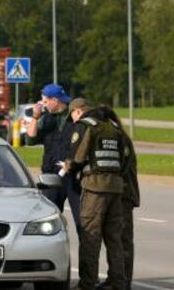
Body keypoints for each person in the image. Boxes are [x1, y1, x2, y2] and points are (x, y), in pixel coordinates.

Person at [64, 98, 126, 290]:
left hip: (94, 189)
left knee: (91, 236)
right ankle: (118, 282)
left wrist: (69, 167)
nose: (73, 120)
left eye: (72, 116)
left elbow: (78, 157)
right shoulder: (113, 126)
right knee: (114, 238)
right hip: (115, 188)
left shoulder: (85, 126)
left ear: (77, 111)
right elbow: (123, 158)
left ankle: (87, 283)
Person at [25, 84, 81, 227]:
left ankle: (86, 248)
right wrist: (35, 117)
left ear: (55, 100)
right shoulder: (46, 118)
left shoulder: (74, 116)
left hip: (74, 176)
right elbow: (30, 139)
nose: (43, 104)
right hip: (51, 177)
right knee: (49, 219)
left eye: (45, 101)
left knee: (82, 220)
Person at [97, 105, 140, 290]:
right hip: (117, 193)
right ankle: (115, 279)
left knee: (122, 240)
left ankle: (123, 282)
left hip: (123, 194)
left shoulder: (119, 138)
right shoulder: (118, 135)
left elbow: (120, 167)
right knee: (113, 239)